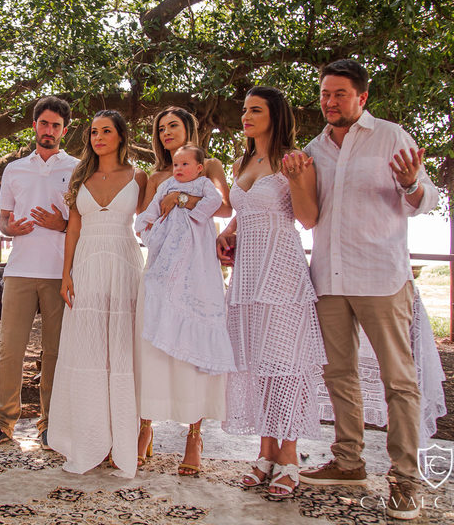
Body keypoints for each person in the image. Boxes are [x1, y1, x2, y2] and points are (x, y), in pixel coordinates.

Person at [297, 59, 438, 521]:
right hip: (330, 279)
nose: (329, 101)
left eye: (339, 93)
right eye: (324, 93)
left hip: (381, 277)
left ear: (362, 98)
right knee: (338, 375)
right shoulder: (313, 149)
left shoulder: (392, 137)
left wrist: (411, 183)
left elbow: (426, 200)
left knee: (398, 380)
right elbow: (306, 212)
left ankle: (405, 480)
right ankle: (348, 461)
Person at [216, 86, 326, 498]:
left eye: (255, 110)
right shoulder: (243, 160)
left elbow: (308, 217)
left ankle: (290, 457)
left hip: (281, 271)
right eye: (244, 109)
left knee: (287, 364)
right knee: (257, 363)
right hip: (245, 277)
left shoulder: (293, 161)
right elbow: (243, 216)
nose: (246, 116)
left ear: (275, 115)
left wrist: (298, 179)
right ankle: (264, 452)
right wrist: (226, 236)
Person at [47, 110, 147, 478]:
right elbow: (72, 229)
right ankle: (88, 441)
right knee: (87, 351)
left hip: (124, 267)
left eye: (106, 131)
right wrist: (66, 275)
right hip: (87, 267)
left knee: (120, 352)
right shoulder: (80, 176)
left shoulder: (139, 176)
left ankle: (124, 444)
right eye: (93, 132)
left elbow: (153, 221)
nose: (98, 137)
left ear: (121, 135)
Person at [0, 96, 78, 450]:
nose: (49, 131)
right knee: (10, 350)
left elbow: (83, 222)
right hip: (19, 271)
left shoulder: (79, 168)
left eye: (56, 126)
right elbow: (3, 219)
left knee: (54, 352)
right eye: (44, 123)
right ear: (34, 125)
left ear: (65, 130)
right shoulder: (14, 169)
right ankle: (3, 424)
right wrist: (10, 229)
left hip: (59, 273)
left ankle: (50, 425)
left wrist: (61, 223)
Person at [135, 106, 232, 476]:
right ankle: (146, 427)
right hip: (160, 271)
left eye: (172, 126)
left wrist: (183, 199)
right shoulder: (157, 175)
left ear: (188, 128)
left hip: (198, 272)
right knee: (153, 349)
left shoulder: (210, 167)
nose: (165, 133)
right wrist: (163, 203)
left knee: (194, 353)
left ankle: (195, 435)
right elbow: (145, 219)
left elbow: (223, 207)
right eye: (160, 129)